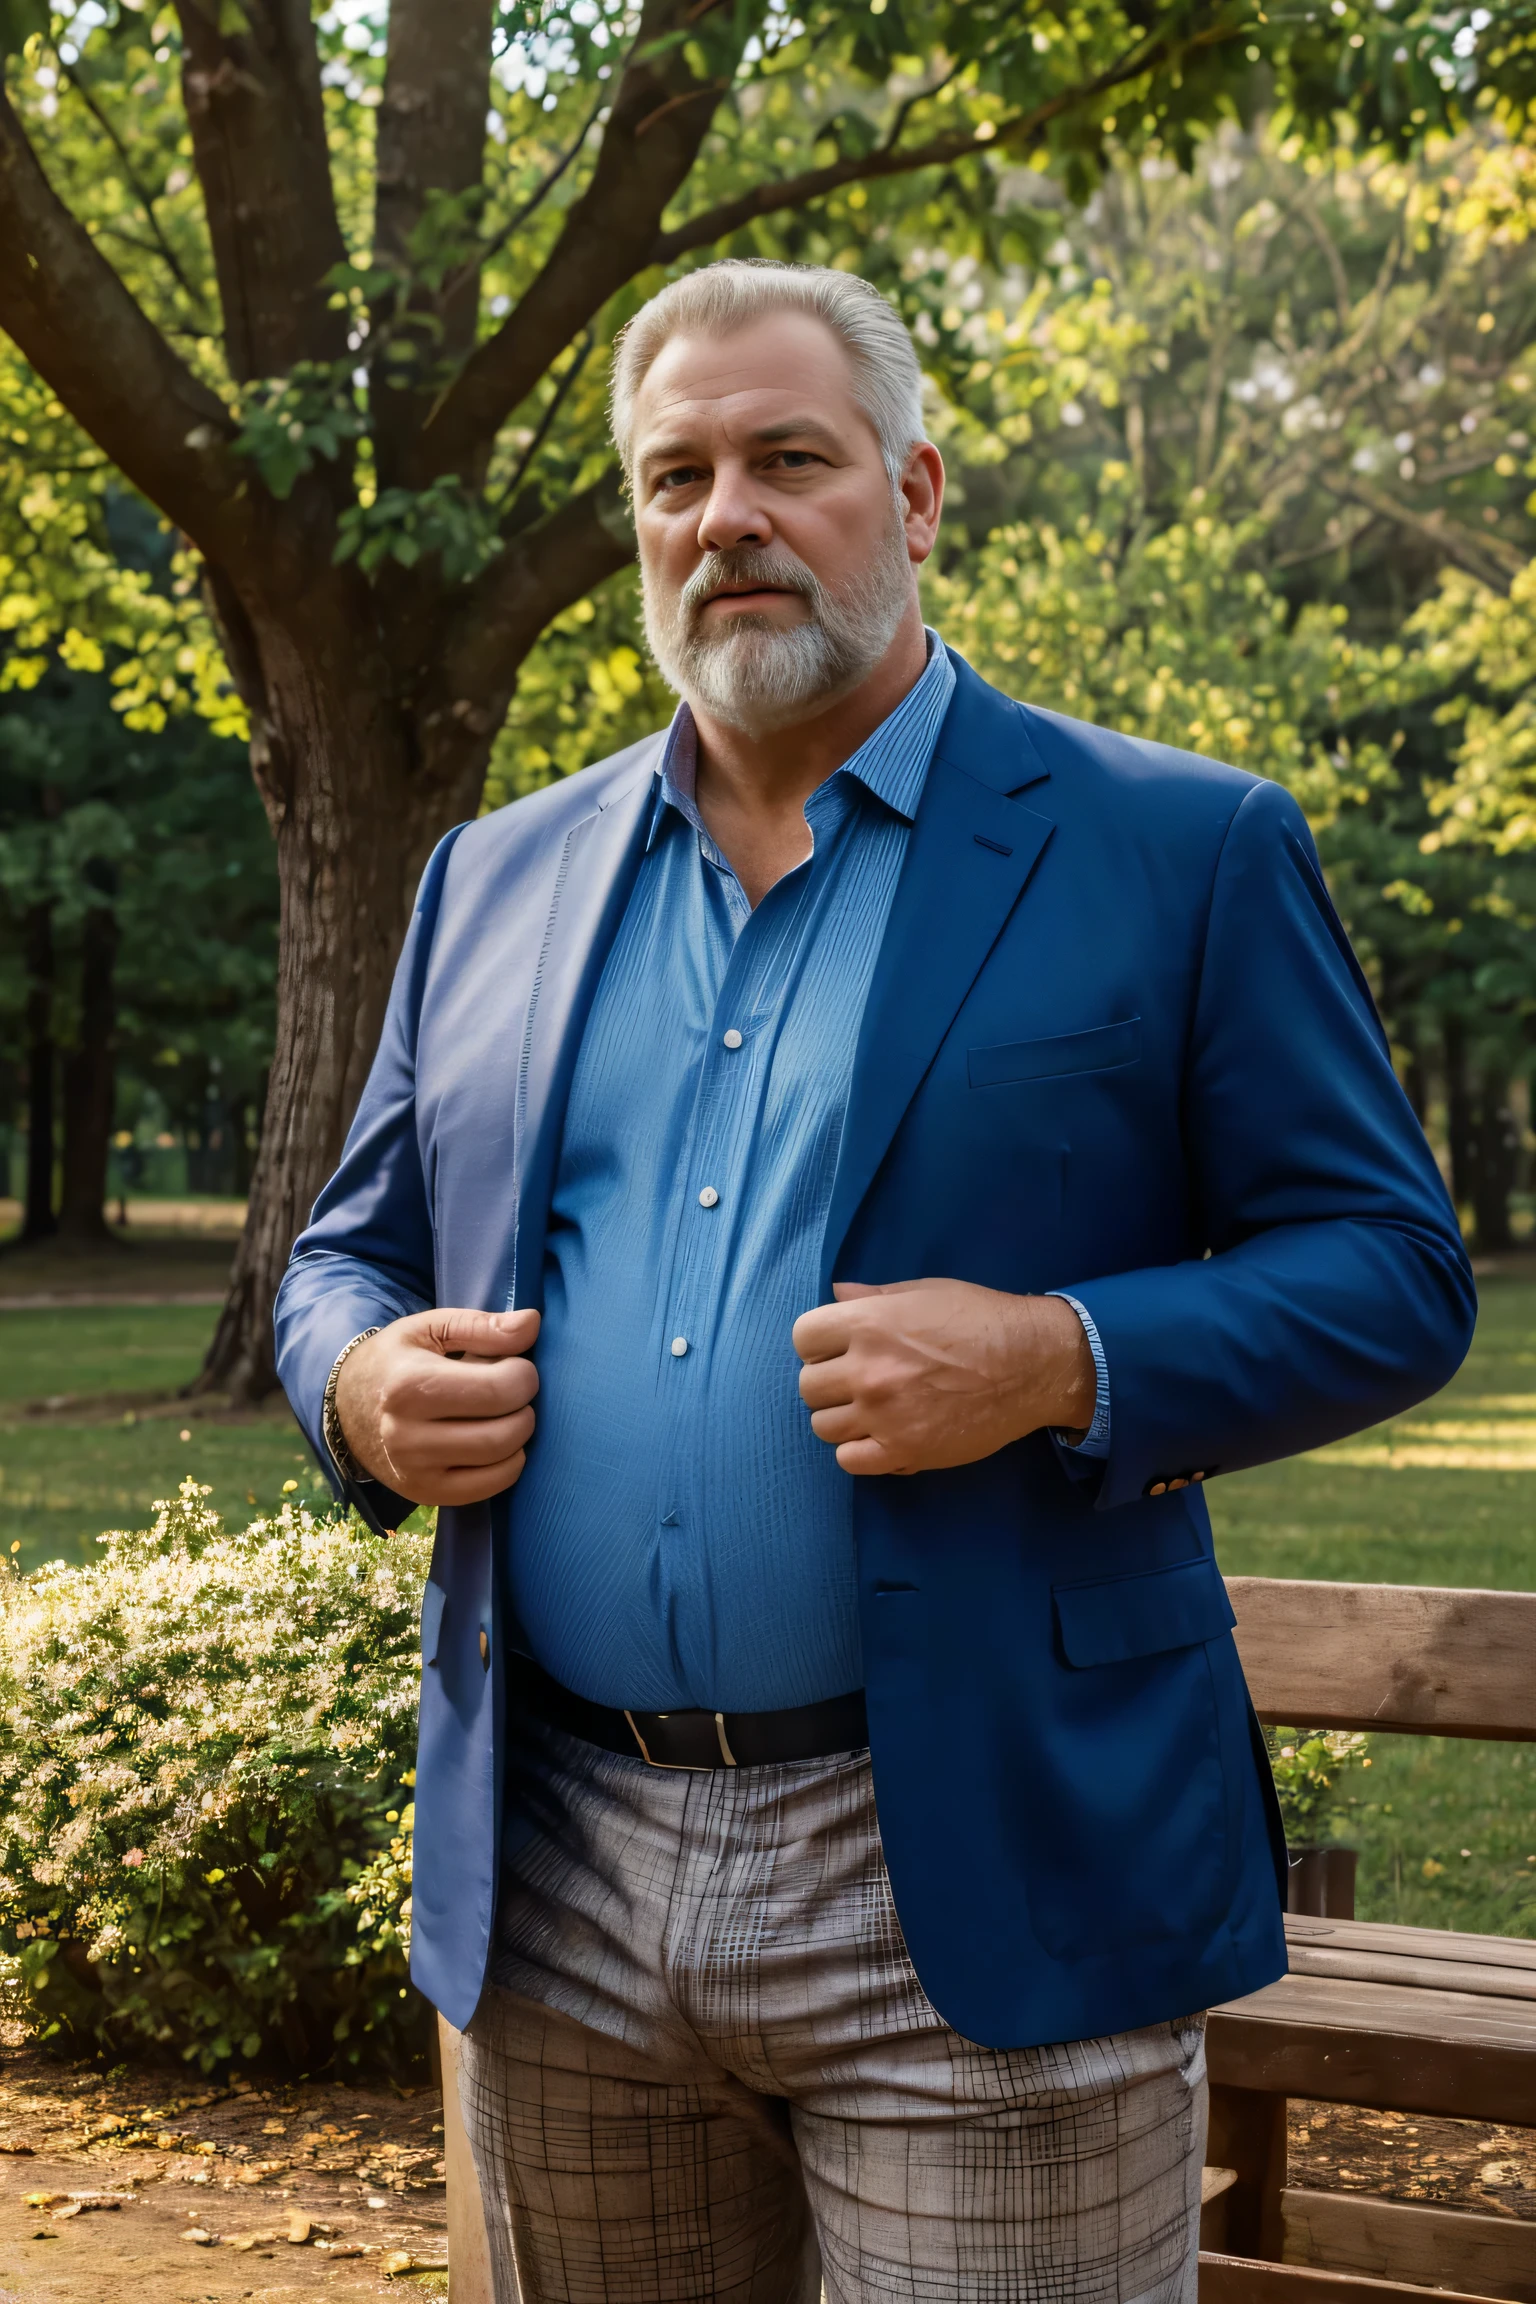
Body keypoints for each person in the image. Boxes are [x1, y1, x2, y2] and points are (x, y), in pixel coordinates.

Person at [275, 259, 1474, 2303]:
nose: (724, 515)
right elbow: (342, 1254)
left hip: (979, 1851)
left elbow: (1392, 1270)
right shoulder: (497, 875)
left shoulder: (1176, 845)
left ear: (913, 497)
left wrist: (1062, 1353)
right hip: (555, 1862)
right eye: (675, 477)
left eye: (786, 460)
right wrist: (359, 1379)